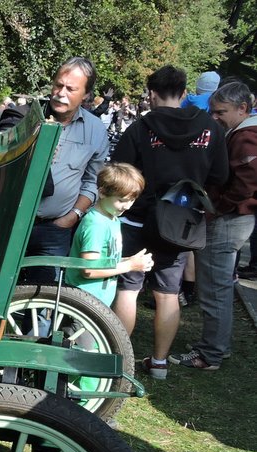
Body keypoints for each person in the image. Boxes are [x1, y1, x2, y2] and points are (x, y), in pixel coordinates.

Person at [112, 65, 228, 380]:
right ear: (185, 92)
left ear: (152, 93)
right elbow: (220, 176)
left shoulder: (140, 128)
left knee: (128, 288)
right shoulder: (211, 128)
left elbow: (119, 170)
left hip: (138, 218)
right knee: (168, 292)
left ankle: (118, 358)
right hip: (181, 223)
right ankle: (160, 363)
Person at [170, 81, 257, 371]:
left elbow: (245, 184)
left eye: (221, 112)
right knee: (217, 286)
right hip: (234, 218)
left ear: (243, 109)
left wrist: (215, 209)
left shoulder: (247, 136)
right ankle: (218, 346)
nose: (216, 117)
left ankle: (210, 354)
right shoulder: (243, 132)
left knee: (215, 288)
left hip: (230, 220)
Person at [21, 56, 110, 284]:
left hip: (54, 229)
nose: (61, 93)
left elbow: (92, 182)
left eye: (71, 89)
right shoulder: (26, 117)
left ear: (86, 95)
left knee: (43, 293)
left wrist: (72, 217)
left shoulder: (95, 131)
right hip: (13, 221)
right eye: (58, 85)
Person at [66, 163, 153, 308]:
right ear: (102, 192)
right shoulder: (96, 224)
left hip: (97, 303)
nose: (127, 206)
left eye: (132, 200)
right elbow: (89, 269)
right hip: (83, 304)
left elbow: (105, 259)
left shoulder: (112, 219)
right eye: (122, 200)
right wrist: (130, 265)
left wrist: (129, 260)